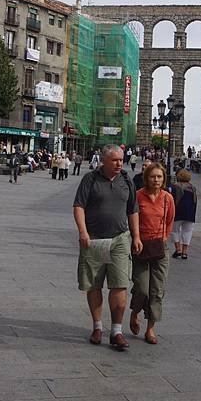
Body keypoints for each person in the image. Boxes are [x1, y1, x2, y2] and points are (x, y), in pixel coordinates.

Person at [73, 145, 142, 349]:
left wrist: (136, 236)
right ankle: (97, 327)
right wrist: (83, 232)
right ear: (104, 161)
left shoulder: (127, 180)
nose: (120, 163)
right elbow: (79, 206)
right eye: (115, 160)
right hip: (93, 239)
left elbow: (133, 210)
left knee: (120, 284)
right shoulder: (90, 179)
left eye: (121, 160)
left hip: (120, 239)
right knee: (94, 285)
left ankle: (117, 331)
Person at [130, 163, 175, 344]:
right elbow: (131, 218)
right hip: (140, 245)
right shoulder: (138, 196)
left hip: (160, 247)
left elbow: (170, 220)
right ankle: (134, 312)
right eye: (153, 176)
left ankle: (150, 329)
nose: (156, 180)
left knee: (157, 290)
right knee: (141, 287)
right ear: (146, 178)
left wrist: (164, 237)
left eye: (159, 177)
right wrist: (136, 238)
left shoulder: (167, 198)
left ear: (164, 179)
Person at [171, 169, 197, 259]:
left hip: (177, 212)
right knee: (187, 231)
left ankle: (178, 249)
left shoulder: (175, 186)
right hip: (190, 213)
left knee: (174, 230)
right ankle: (184, 252)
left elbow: (172, 200)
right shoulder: (193, 188)